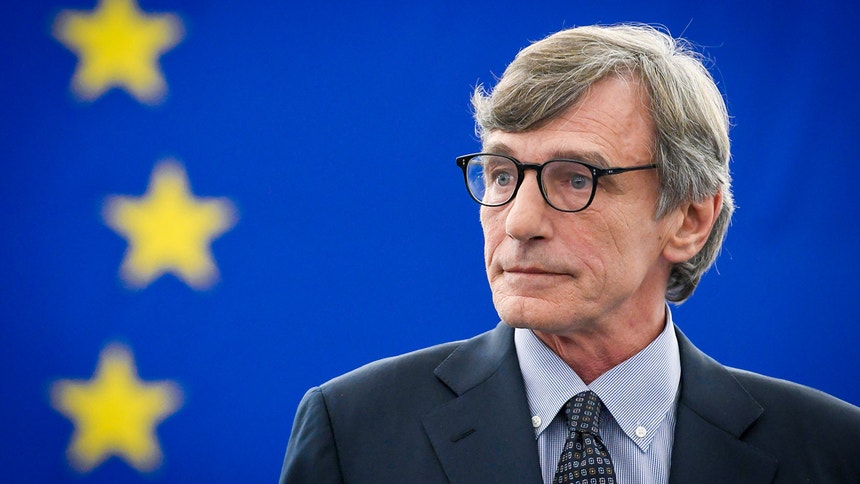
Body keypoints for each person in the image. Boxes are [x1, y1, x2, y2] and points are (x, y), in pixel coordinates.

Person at [279, 23, 860, 483]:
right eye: (502, 174)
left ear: (689, 220)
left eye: (576, 178)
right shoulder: (352, 431)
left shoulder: (833, 450)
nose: (519, 222)